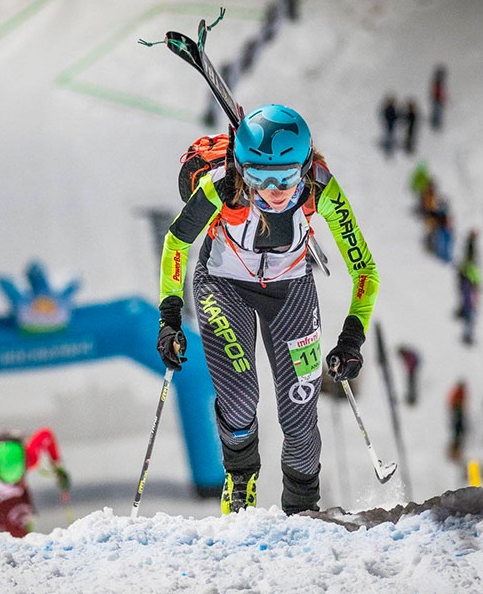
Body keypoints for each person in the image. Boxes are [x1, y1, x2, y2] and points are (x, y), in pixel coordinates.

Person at [156, 104, 379, 516]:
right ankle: (240, 478)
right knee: (240, 398)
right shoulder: (220, 186)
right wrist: (169, 317)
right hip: (223, 285)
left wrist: (352, 339)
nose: (275, 189)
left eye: (287, 175)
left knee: (298, 413)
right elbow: (176, 243)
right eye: (260, 176)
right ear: (243, 169)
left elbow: (365, 270)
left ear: (305, 166)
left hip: (290, 290)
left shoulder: (320, 187)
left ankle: (303, 506)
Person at [455, 230, 481, 345]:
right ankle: (467, 336)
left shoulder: (468, 265)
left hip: (469, 281)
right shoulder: (469, 269)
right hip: (469, 282)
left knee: (470, 316)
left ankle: (468, 334)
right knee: (470, 317)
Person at [447, 380, 468, 461]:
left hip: (458, 415)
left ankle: (456, 452)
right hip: (457, 415)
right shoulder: (458, 393)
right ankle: (454, 453)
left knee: (458, 435)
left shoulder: (461, 392)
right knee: (457, 435)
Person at [430, 65, 447, 130]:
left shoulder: (437, 85)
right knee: (437, 112)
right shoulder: (437, 85)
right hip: (437, 100)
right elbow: (437, 92)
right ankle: (436, 124)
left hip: (437, 100)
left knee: (437, 111)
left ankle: (436, 123)